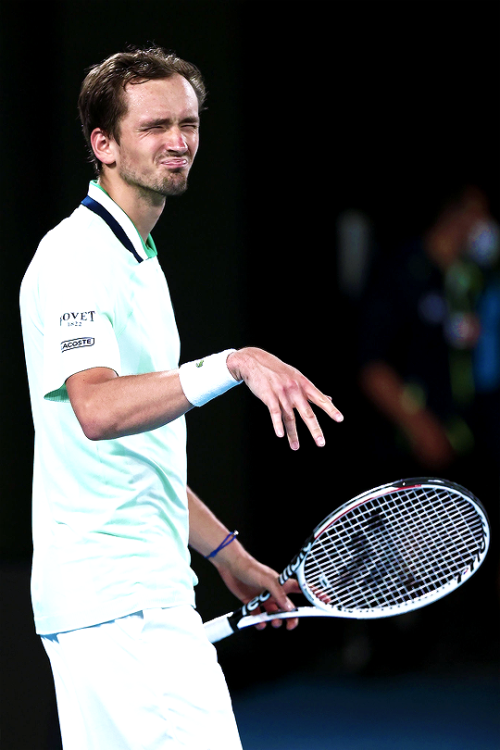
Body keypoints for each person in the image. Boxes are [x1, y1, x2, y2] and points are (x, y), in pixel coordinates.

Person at [19, 46, 343, 750]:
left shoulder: (140, 259)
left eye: (189, 123)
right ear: (102, 144)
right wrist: (233, 364)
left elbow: (138, 453)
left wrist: (229, 556)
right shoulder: (77, 256)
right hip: (122, 607)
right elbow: (98, 411)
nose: (178, 140)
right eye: (155, 125)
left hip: (121, 603)